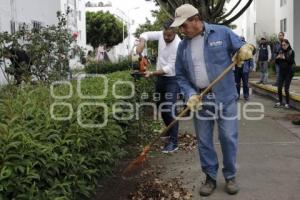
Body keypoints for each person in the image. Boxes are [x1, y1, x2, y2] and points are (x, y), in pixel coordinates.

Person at [171, 4, 254, 196]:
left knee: (228, 138)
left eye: (184, 25)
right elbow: (181, 76)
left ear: (195, 19)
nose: (181, 30)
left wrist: (246, 49)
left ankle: (230, 176)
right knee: (204, 141)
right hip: (200, 100)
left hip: (225, 98)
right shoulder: (183, 46)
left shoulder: (222, 33)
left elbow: (244, 46)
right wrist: (190, 94)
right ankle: (209, 177)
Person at [136, 19, 181, 153]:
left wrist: (152, 73)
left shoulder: (178, 44)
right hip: (160, 79)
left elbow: (169, 68)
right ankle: (168, 132)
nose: (166, 38)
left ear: (175, 32)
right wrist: (142, 43)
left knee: (169, 108)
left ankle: (174, 142)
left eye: (169, 35)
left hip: (172, 79)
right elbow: (146, 34)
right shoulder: (161, 34)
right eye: (165, 34)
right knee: (161, 106)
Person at [274, 39, 295, 109]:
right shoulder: (281, 51)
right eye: (282, 45)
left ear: (288, 45)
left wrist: (284, 57)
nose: (283, 46)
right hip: (281, 72)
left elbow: (291, 61)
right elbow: (277, 62)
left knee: (286, 88)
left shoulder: (291, 52)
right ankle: (280, 102)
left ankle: (287, 103)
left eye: (284, 45)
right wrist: (277, 58)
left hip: (289, 72)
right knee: (279, 87)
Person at [234, 37, 254, 101]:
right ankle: (237, 95)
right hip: (237, 66)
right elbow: (233, 56)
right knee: (237, 82)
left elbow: (250, 57)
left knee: (245, 82)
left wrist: (251, 66)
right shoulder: (236, 47)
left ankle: (246, 95)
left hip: (245, 67)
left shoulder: (247, 47)